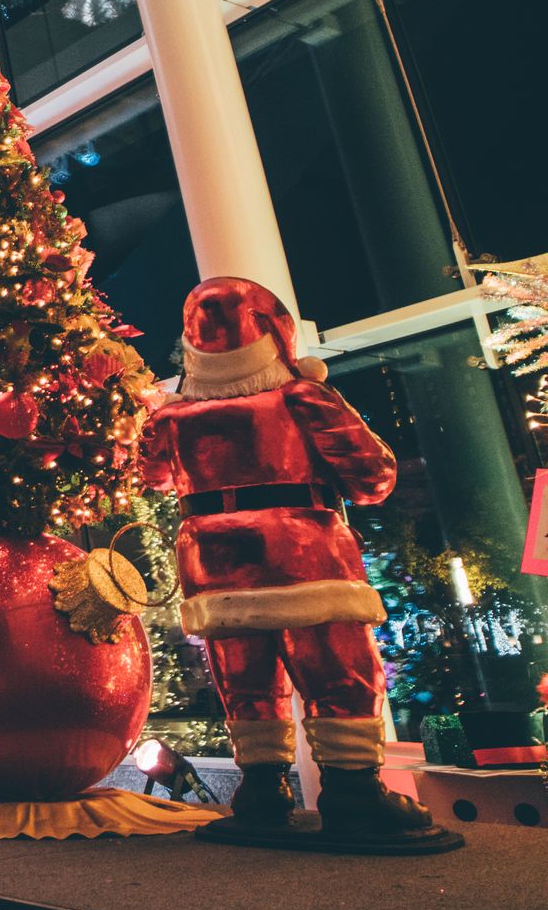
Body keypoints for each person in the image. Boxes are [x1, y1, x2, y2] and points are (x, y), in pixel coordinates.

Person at [142, 277, 432, 839]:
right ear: (275, 331)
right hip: (306, 561)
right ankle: (353, 792)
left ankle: (260, 789)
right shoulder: (303, 399)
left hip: (214, 569)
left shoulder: (170, 420)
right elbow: (374, 478)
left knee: (244, 678)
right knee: (338, 671)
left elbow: (151, 477)